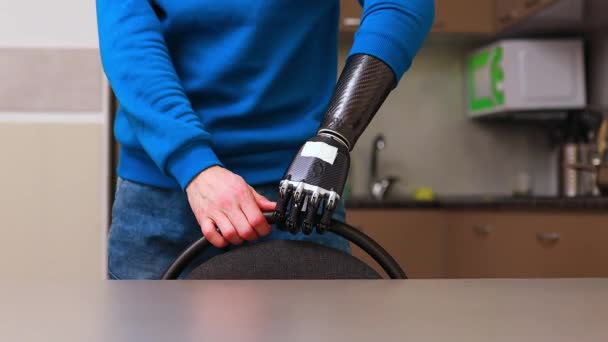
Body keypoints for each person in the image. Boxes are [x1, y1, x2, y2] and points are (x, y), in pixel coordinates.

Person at [97, 0, 434, 279]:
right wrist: (194, 166)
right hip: (161, 198)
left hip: (299, 197)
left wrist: (336, 131)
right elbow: (128, 38)